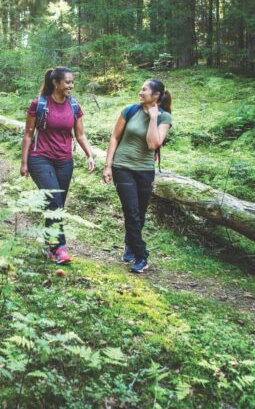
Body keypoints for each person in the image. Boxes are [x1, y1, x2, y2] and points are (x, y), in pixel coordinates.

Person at [21, 66, 95, 263]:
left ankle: (49, 242)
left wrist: (90, 155)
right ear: (56, 83)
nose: (71, 85)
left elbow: (80, 134)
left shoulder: (74, 106)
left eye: (72, 82)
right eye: (67, 82)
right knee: (54, 199)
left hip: (64, 161)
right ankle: (59, 247)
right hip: (40, 158)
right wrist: (24, 162)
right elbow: (28, 134)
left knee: (57, 203)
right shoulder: (39, 104)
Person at [103, 78, 172, 274]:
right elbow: (114, 137)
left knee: (139, 214)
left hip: (145, 170)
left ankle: (130, 245)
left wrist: (152, 117)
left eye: (144, 90)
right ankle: (141, 256)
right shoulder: (130, 110)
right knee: (131, 213)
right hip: (122, 167)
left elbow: (153, 144)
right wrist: (108, 166)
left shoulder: (164, 118)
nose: (140, 92)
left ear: (156, 95)